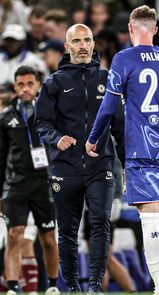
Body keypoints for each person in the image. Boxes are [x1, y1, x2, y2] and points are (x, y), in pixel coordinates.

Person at [86, 5, 159, 295]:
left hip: (140, 148)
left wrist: (93, 137)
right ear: (155, 30)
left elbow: (108, 106)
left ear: (131, 29)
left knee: (150, 216)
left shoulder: (123, 58)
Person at [35, 24, 124, 294]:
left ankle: (96, 286)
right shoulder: (53, 83)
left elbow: (119, 125)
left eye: (87, 40)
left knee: (100, 224)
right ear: (67, 46)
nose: (83, 45)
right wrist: (56, 138)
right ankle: (72, 287)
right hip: (65, 166)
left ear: (94, 44)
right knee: (68, 232)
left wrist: (128, 164)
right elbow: (42, 122)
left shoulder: (109, 79)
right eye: (76, 41)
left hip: (101, 164)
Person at [0, 65, 59, 295]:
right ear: (15, 87)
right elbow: (1, 157)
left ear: (38, 86)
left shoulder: (51, 114)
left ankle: (53, 286)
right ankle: (13, 287)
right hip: (16, 185)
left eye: (30, 84)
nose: (25, 88)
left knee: (48, 239)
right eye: (21, 84)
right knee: (14, 235)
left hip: (45, 185)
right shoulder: (5, 117)